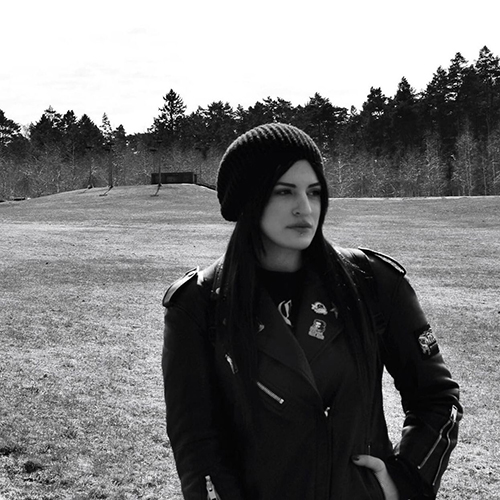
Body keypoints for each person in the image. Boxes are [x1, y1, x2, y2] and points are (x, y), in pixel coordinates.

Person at [161, 123, 462, 500]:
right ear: (248, 200)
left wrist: (404, 482)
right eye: (284, 191)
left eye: (314, 192)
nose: (305, 208)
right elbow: (197, 443)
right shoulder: (199, 303)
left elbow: (437, 398)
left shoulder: (372, 282)